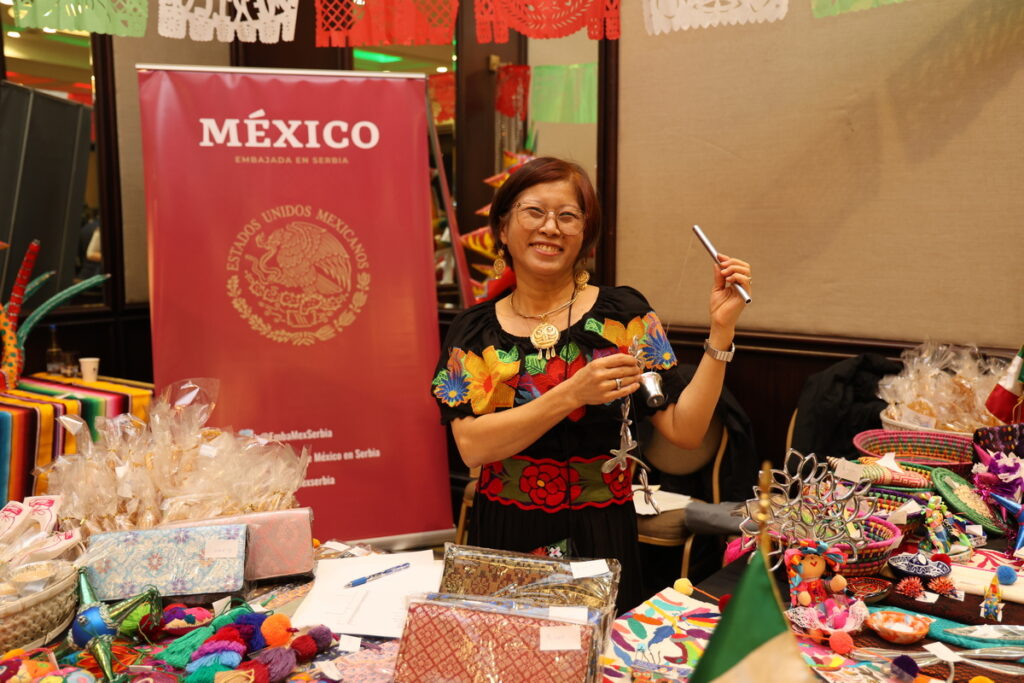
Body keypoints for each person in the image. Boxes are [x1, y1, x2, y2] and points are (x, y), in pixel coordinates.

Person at [430, 157, 752, 611]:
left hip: (601, 530)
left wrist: (721, 331)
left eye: (568, 216)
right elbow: (472, 447)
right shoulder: (474, 331)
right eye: (533, 211)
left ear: (585, 234)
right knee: (507, 648)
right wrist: (572, 394)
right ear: (502, 227)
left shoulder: (623, 316)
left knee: (596, 649)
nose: (550, 227)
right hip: (505, 530)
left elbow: (686, 430)